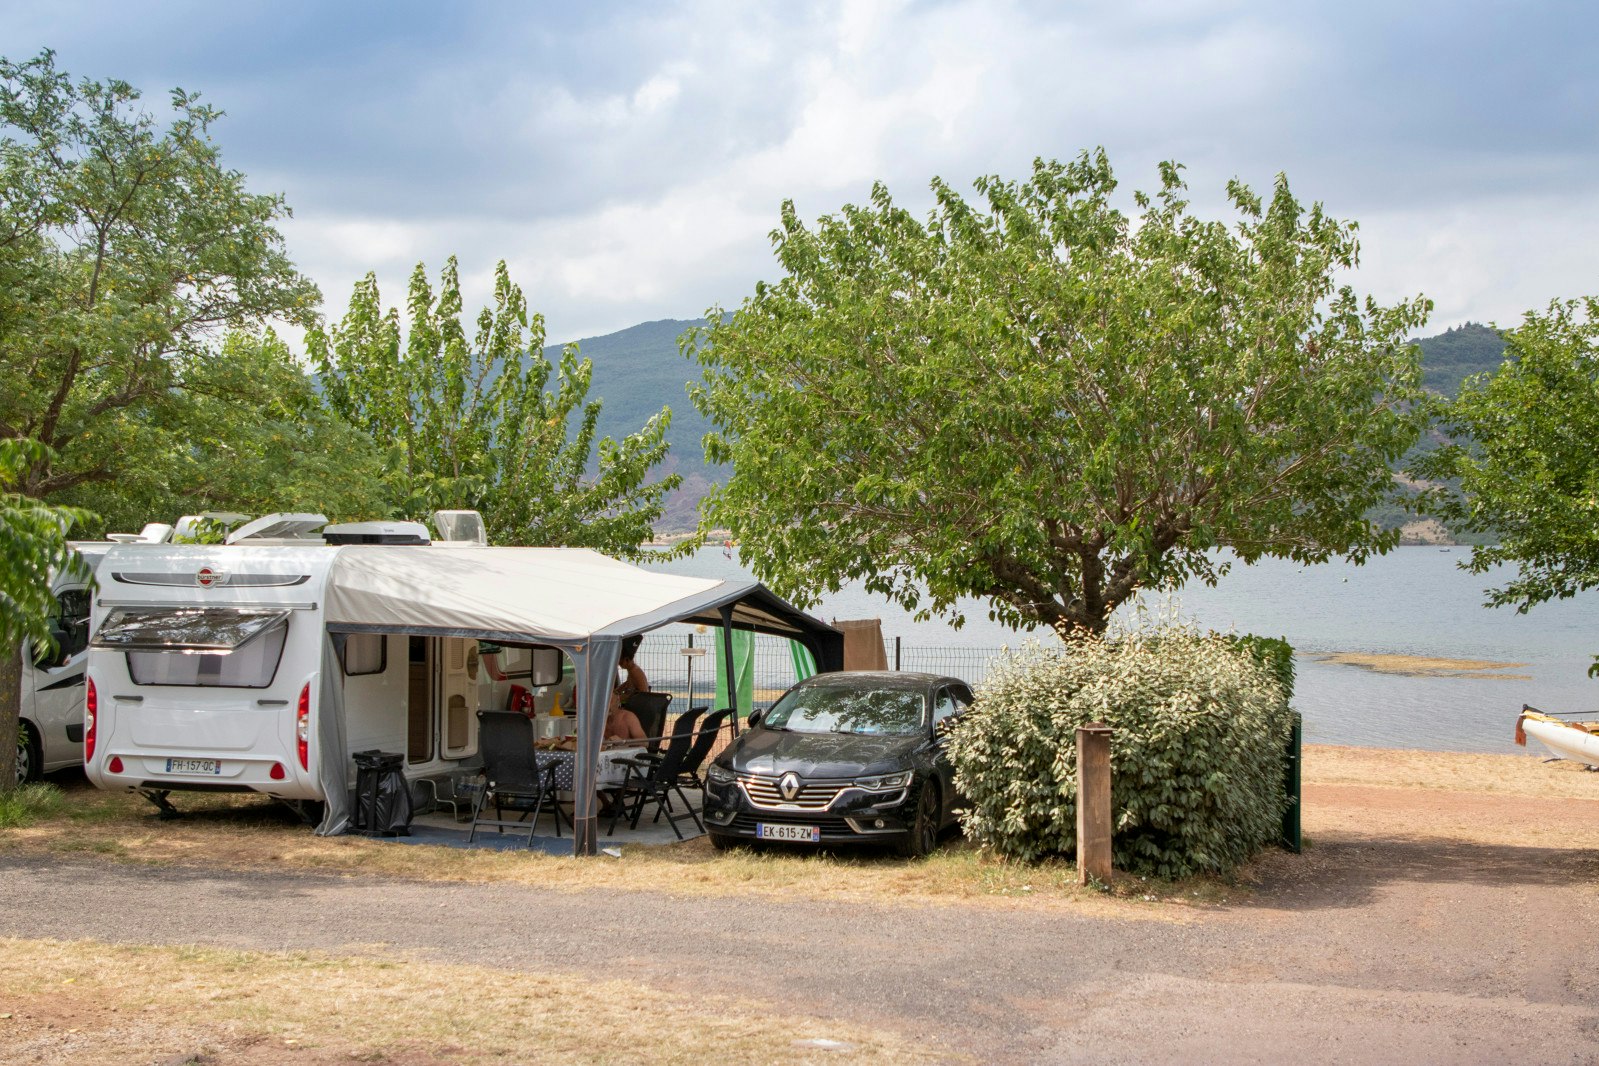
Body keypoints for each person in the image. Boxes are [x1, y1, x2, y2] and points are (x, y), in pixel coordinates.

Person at [618, 634, 649, 700]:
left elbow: (643, 693)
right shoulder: (632, 670)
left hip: (638, 704)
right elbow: (627, 683)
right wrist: (616, 691)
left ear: (627, 660)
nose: (619, 665)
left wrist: (619, 698)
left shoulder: (635, 672)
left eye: (620, 662)